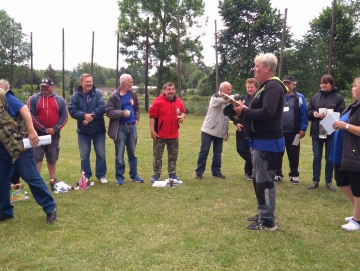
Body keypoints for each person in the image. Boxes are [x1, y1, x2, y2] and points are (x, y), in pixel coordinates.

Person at [233, 53, 287, 231]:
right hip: (259, 141)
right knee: (258, 180)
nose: (254, 69)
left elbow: (267, 113)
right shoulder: (265, 87)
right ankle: (263, 213)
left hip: (267, 142)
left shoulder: (273, 87)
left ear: (267, 68)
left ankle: (268, 220)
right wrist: (242, 108)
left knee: (264, 182)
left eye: (257, 66)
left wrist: (244, 112)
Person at [0, 79, 56, 224]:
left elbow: (24, 109)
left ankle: (50, 207)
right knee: (2, 180)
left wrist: (32, 131)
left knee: (31, 177)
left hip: (18, 146)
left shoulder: (5, 96)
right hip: (2, 149)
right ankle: (5, 211)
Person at [27, 78, 68, 191]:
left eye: (46, 86)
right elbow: (30, 115)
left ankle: (52, 180)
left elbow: (64, 117)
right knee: (37, 157)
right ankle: (37, 181)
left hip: (53, 135)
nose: (44, 88)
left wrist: (55, 129)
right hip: (37, 134)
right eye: (42, 86)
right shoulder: (33, 99)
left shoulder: (60, 100)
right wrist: (43, 128)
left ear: (52, 86)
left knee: (52, 156)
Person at [306, 74, 345, 191]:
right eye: (321, 83)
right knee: (316, 156)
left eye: (326, 83)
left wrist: (329, 116)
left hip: (331, 131)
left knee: (329, 158)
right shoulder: (315, 97)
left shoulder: (338, 98)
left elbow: (342, 114)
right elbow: (308, 112)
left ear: (331, 84)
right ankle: (315, 181)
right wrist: (314, 114)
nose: (323, 85)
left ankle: (329, 182)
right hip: (317, 131)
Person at [331, 77, 360, 231]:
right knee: (341, 181)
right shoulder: (353, 105)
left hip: (355, 152)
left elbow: (351, 127)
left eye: (355, 86)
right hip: (342, 151)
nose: (352, 89)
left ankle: (357, 219)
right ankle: (358, 213)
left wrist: (345, 125)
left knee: (356, 186)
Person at [68, 73, 108, 184]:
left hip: (98, 129)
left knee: (101, 154)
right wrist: (83, 116)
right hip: (83, 131)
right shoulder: (75, 96)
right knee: (84, 155)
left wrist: (92, 117)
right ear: (81, 82)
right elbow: (72, 109)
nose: (89, 83)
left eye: (91, 81)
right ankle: (86, 175)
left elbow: (102, 107)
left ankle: (101, 175)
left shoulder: (98, 93)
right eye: (87, 81)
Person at [105, 74, 143, 185]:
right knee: (120, 154)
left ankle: (134, 175)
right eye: (130, 82)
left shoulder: (133, 94)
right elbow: (108, 111)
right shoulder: (114, 96)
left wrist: (136, 118)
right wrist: (121, 113)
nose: (132, 84)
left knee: (132, 153)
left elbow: (137, 108)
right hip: (120, 128)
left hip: (132, 128)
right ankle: (119, 177)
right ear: (123, 83)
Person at [149, 82, 185, 182]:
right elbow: (152, 117)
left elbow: (182, 112)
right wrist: (152, 131)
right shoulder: (157, 101)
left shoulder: (178, 101)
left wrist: (182, 117)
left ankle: (172, 174)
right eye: (169, 89)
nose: (171, 91)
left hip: (173, 135)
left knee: (173, 156)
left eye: (173, 89)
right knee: (157, 156)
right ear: (164, 91)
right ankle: (156, 174)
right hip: (160, 135)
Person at [274, 75, 308, 184]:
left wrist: (303, 128)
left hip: (294, 132)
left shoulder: (300, 97)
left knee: (294, 154)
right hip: (278, 132)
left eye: (289, 83)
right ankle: (277, 173)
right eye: (284, 83)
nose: (287, 85)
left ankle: (294, 174)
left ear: (293, 84)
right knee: (278, 153)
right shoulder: (278, 96)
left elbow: (304, 114)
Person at [223, 78, 259, 181]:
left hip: (255, 130)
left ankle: (249, 171)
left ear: (256, 87)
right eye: (247, 87)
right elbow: (230, 112)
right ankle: (256, 165)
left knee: (253, 150)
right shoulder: (240, 99)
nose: (249, 89)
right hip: (242, 130)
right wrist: (237, 122)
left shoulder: (259, 99)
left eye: (251, 87)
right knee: (242, 150)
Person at [195, 81, 232, 179]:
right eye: (228, 89)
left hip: (220, 131)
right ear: (221, 90)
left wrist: (225, 131)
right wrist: (230, 99)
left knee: (217, 153)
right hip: (208, 130)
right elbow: (217, 103)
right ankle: (199, 172)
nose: (230, 91)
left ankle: (216, 171)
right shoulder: (215, 97)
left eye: (230, 89)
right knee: (204, 151)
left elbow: (227, 116)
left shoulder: (229, 101)